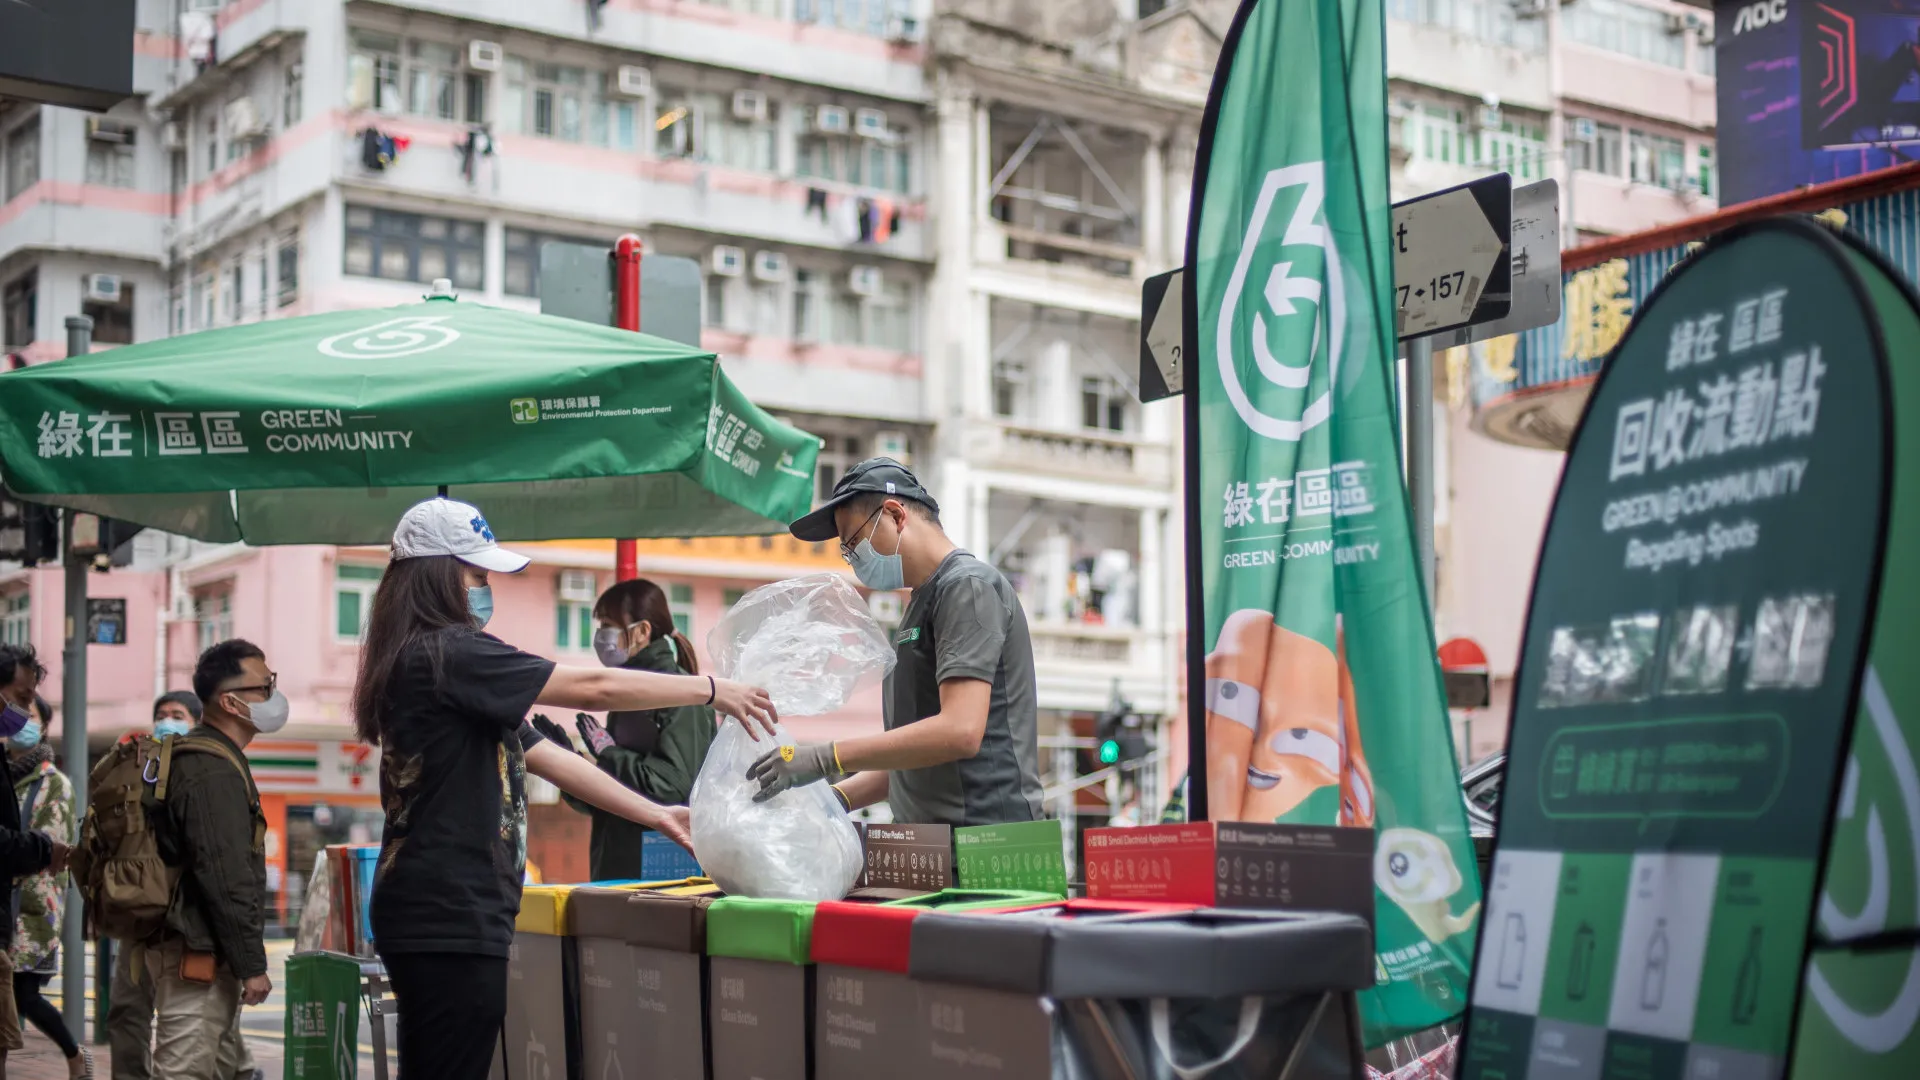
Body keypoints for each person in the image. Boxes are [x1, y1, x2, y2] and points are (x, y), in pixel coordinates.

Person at [353, 498, 776, 1080]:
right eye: (476, 576)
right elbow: (594, 688)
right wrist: (709, 689)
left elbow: (549, 758)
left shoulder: (435, 663)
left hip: (445, 910)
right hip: (446, 911)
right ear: (437, 575)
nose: (484, 590)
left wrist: (655, 814)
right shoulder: (447, 654)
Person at [752, 458, 1044, 827]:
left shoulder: (968, 586)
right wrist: (832, 801)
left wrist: (826, 757)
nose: (852, 558)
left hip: (989, 842)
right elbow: (913, 758)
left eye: (853, 542)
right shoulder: (921, 603)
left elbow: (960, 731)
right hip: (935, 841)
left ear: (895, 515)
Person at [107, 690, 262, 1080]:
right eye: (161, 714)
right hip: (145, 918)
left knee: (208, 1024)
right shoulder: (146, 768)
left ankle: (241, 1071)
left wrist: (249, 963)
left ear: (197, 722)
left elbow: (220, 868)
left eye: (177, 715)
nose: (167, 722)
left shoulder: (199, 771)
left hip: (182, 925)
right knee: (133, 1013)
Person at [145, 642, 279, 1079]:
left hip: (200, 948)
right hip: (195, 954)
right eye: (264, 686)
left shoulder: (213, 757)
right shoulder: (210, 768)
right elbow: (224, 874)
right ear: (230, 702)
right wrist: (252, 966)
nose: (273, 696)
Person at [536, 578, 715, 882]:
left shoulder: (681, 694)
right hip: (615, 869)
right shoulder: (628, 696)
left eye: (608, 625)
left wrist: (610, 754)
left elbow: (671, 787)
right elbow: (615, 797)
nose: (600, 636)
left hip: (661, 875)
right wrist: (568, 765)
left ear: (642, 631)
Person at [8, 695, 88, 1079]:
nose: (20, 720)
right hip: (7, 902)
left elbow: (50, 848)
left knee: (23, 994)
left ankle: (74, 1054)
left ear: (43, 726)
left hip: (32, 907)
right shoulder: (6, 776)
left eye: (30, 715)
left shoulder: (53, 783)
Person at [0, 645, 67, 1080]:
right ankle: (77, 1055)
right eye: (21, 697)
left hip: (24, 914)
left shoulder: (49, 781)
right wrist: (43, 849)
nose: (24, 712)